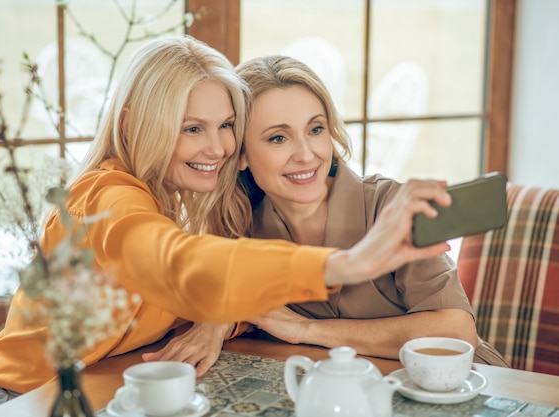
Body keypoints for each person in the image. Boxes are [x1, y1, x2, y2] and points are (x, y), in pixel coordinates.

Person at [0, 38, 454, 417]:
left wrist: (220, 319)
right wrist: (347, 264)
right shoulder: (109, 199)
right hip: (18, 404)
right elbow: (173, 264)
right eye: (191, 128)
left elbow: (214, 279)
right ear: (132, 123)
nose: (218, 147)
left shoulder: (181, 204)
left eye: (226, 125)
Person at [143, 54, 508, 375]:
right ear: (239, 155)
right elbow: (223, 294)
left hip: (469, 388)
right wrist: (216, 319)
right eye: (278, 138)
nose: (307, 154)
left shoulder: (390, 205)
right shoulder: (241, 230)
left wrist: (305, 330)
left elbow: (456, 332)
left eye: (315, 130)